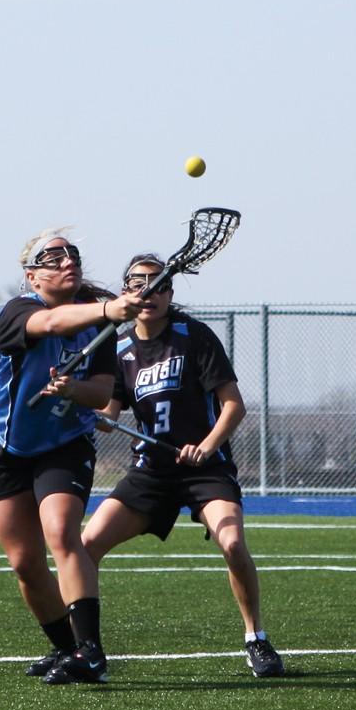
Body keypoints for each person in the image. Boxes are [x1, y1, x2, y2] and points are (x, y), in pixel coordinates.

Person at [81, 253, 285, 678]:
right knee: (85, 546)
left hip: (205, 470)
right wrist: (78, 403)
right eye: (138, 284)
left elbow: (234, 406)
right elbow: (108, 416)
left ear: (170, 293)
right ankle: (85, 650)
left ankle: (256, 639)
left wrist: (207, 447)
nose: (148, 293)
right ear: (126, 292)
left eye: (158, 285)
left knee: (232, 543)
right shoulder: (117, 348)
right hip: (151, 472)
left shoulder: (194, 336)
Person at [0, 228, 145, 685]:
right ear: (32, 277)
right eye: (52, 257)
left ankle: (90, 652)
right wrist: (110, 308)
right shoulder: (18, 312)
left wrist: (74, 388)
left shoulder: (99, 326)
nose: (66, 260)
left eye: (72, 254)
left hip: (64, 444)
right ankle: (66, 649)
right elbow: (50, 326)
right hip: (5, 447)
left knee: (61, 534)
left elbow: (100, 393)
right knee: (24, 563)